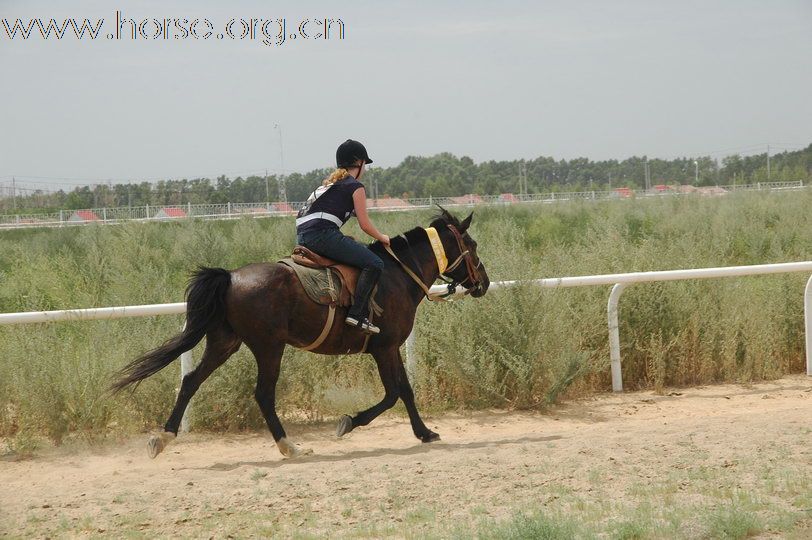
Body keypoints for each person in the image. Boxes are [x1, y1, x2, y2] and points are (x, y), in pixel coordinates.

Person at [295, 139, 389, 334]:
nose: (365, 169)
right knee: (374, 263)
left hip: (303, 236)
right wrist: (382, 237)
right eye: (365, 164)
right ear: (360, 163)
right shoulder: (355, 186)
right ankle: (357, 315)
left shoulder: (329, 185)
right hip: (322, 235)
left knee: (361, 250)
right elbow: (365, 224)